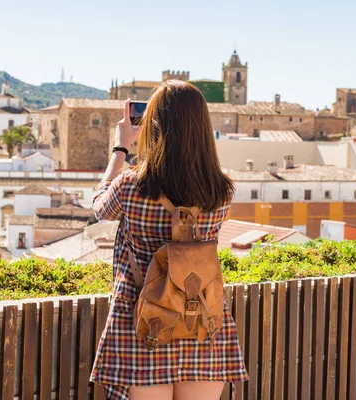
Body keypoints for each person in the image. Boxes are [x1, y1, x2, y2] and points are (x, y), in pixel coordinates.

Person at [89, 80, 248, 400]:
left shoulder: (131, 186)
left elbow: (99, 208)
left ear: (153, 126)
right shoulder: (222, 192)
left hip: (144, 323)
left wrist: (121, 147)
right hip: (201, 320)